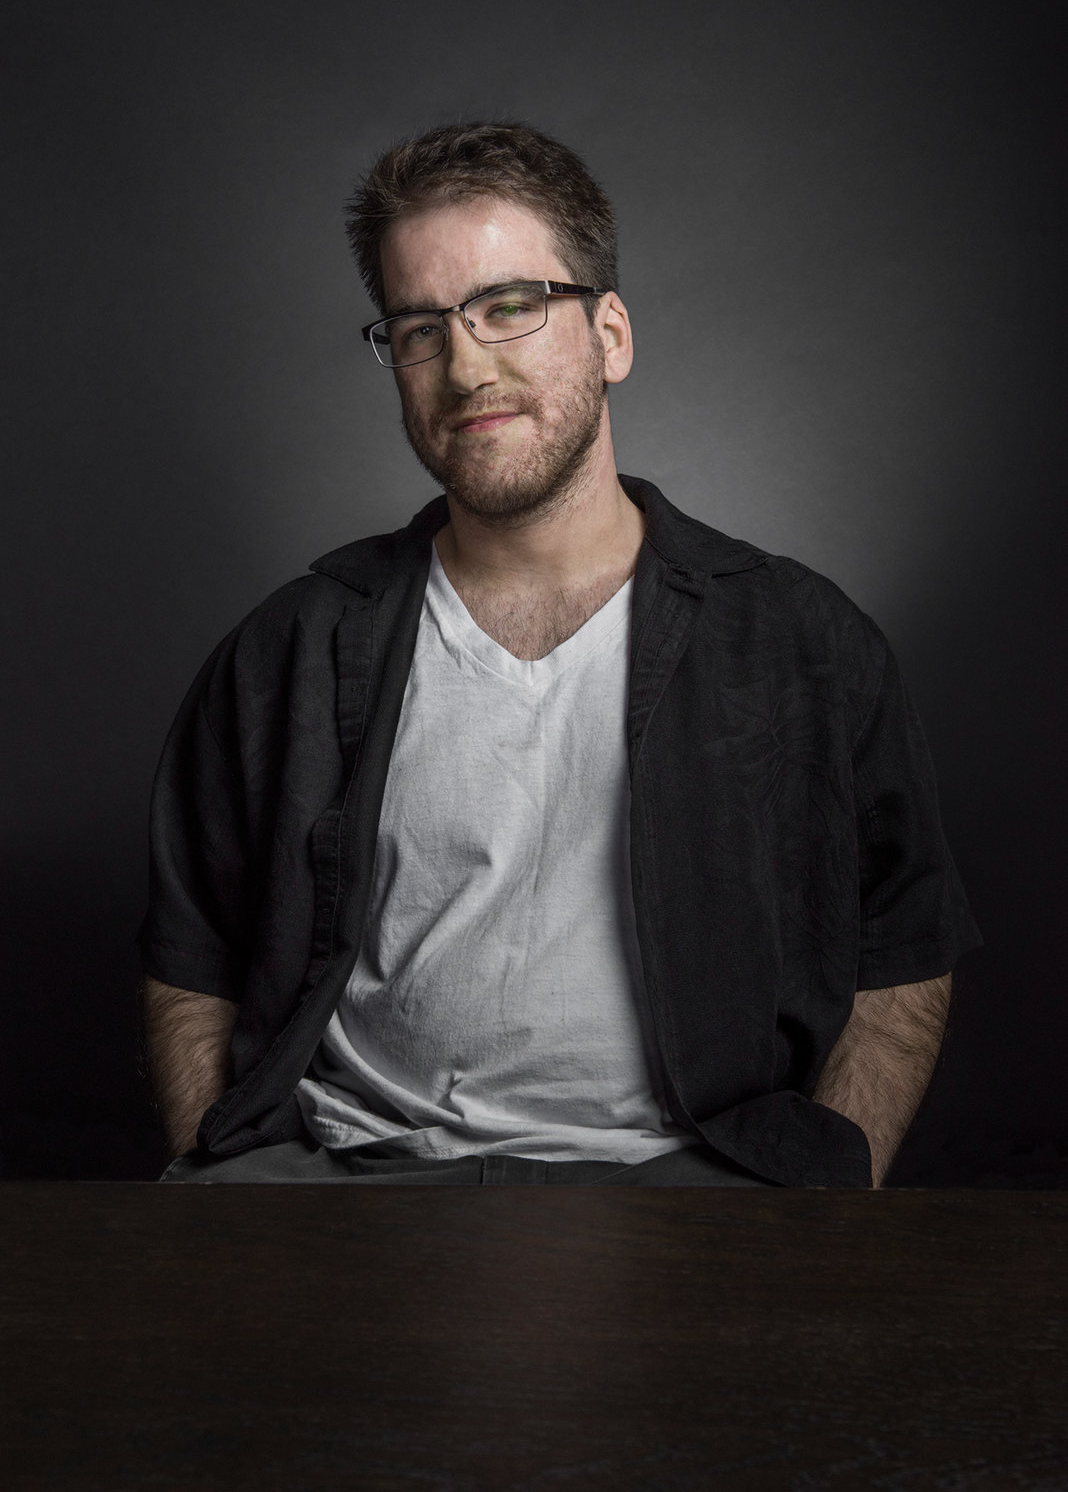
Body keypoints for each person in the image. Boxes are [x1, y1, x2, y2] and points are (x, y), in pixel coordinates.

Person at [140, 121, 981, 1188]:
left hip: (695, 1180)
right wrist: (215, 1181)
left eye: (511, 307)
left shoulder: (803, 644)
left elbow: (904, 948)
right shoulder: (290, 649)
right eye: (419, 327)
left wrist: (830, 1190)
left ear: (612, 334)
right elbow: (190, 951)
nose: (465, 366)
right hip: (343, 1172)